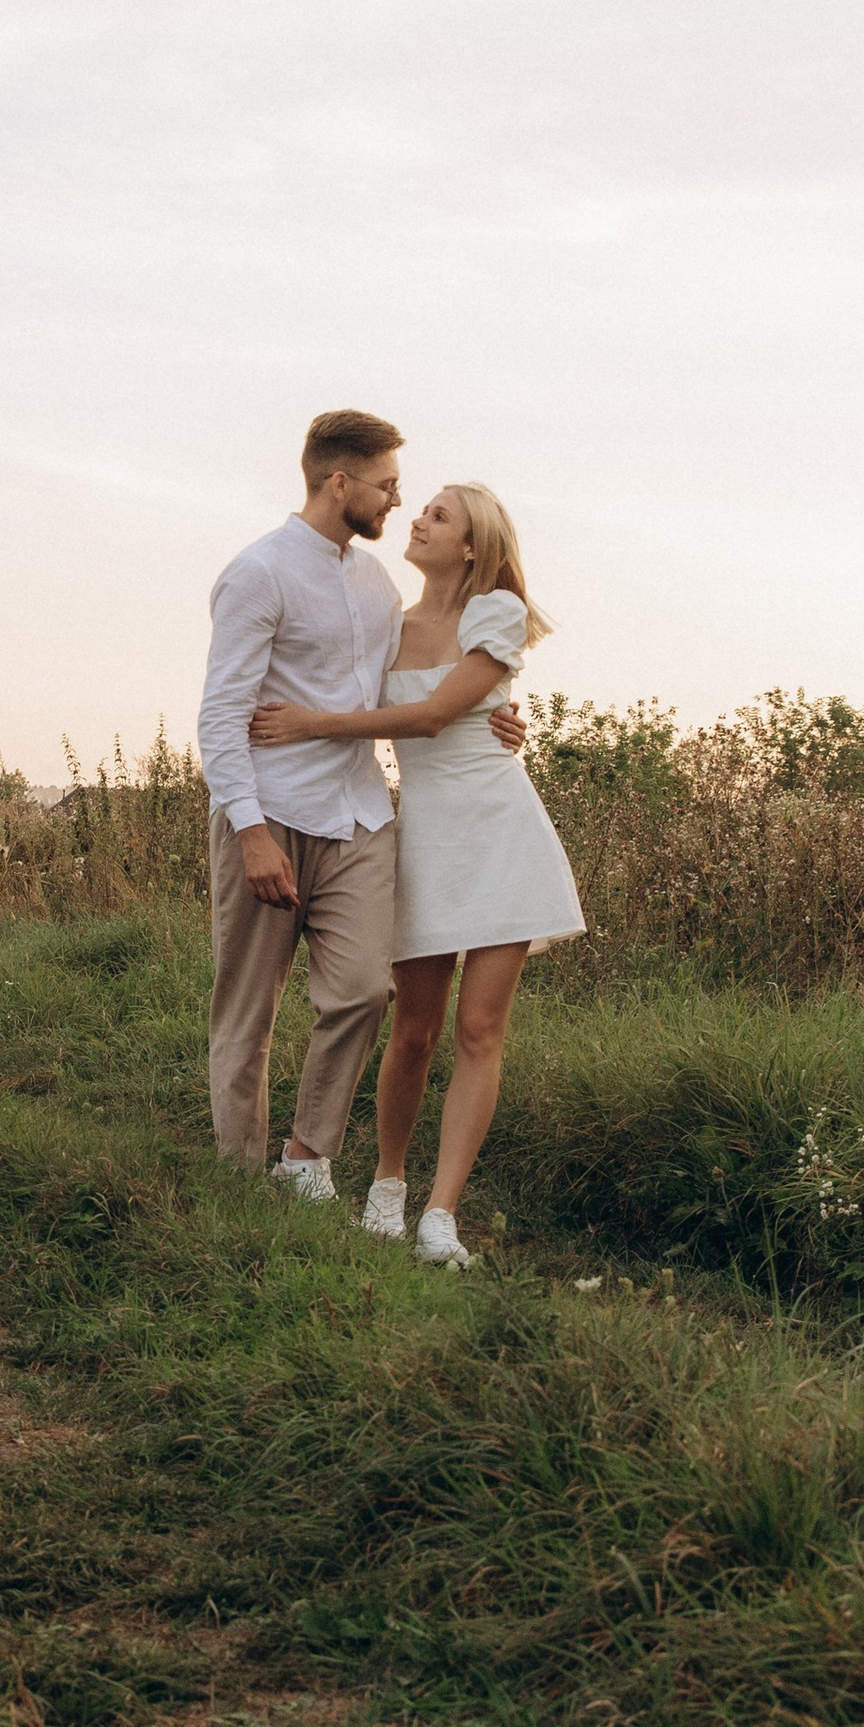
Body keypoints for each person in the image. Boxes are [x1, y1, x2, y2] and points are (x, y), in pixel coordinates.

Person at [250, 480, 582, 1266]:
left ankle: (441, 1214)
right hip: (424, 836)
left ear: (472, 546)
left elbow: (434, 717)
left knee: (479, 1031)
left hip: (502, 835)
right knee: (413, 1030)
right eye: (422, 508)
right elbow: (350, 693)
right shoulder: (387, 628)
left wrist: (314, 723)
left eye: (439, 515)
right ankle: (387, 1187)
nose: (419, 519)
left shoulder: (494, 612)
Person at [197, 413, 525, 1199]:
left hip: (359, 815)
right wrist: (248, 833)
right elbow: (220, 713)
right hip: (269, 813)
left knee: (361, 993)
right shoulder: (259, 572)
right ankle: (241, 1180)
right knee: (248, 1011)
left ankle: (306, 1156)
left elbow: (413, 692)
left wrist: (493, 714)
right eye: (386, 487)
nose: (396, 503)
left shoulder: (376, 583)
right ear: (339, 483)